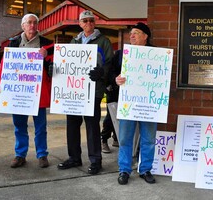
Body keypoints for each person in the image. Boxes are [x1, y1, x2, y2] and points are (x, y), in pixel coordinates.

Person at [57, 10, 113, 175]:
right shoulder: (74, 41)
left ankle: (96, 161)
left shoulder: (104, 41)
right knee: (72, 125)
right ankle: (74, 158)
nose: (88, 23)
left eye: (91, 20)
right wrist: (55, 67)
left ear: (94, 23)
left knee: (92, 127)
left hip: (92, 92)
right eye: (85, 21)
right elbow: (66, 63)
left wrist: (101, 72)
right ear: (79, 23)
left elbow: (109, 63)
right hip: (73, 91)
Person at [0, 13, 54, 168]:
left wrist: (47, 57)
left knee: (40, 127)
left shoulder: (48, 45)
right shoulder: (13, 43)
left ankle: (42, 155)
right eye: (29, 23)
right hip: (17, 93)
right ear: (23, 26)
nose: (32, 26)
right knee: (19, 126)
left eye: (35, 22)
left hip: (38, 93)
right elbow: (4, 66)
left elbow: (55, 69)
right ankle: (20, 155)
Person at [115, 22, 157, 185]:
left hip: (149, 105)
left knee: (148, 138)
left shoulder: (157, 56)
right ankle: (124, 170)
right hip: (129, 103)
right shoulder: (121, 54)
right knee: (125, 138)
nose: (131, 36)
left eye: (136, 33)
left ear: (145, 36)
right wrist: (116, 79)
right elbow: (110, 72)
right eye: (131, 33)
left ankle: (145, 169)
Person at [101, 49, 122, 153]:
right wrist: (112, 82)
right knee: (111, 116)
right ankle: (104, 139)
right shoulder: (120, 53)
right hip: (114, 89)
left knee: (120, 116)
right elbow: (111, 71)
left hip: (127, 91)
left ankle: (116, 138)